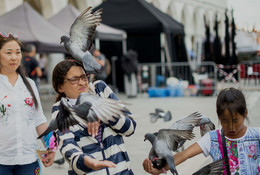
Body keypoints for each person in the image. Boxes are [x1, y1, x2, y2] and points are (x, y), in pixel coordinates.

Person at [143, 87, 260, 174]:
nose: (231, 127)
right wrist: (159, 170)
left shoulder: (257, 135)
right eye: (225, 121)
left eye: (235, 121)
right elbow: (184, 155)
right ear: (218, 117)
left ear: (245, 114)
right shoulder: (213, 138)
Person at [51, 59, 136, 174]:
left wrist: (101, 111)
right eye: (74, 80)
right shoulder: (60, 110)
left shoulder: (100, 89)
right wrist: (87, 162)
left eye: (83, 76)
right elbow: (67, 145)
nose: (82, 82)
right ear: (60, 87)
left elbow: (130, 128)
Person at [0, 32, 55, 174]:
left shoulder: (29, 84)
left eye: (18, 52)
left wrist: (50, 147)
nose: (14, 57)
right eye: (8, 52)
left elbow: (39, 119)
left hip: (28, 159)